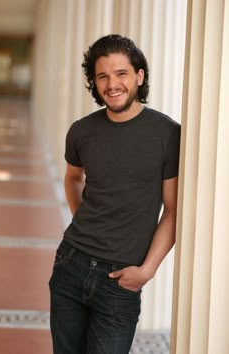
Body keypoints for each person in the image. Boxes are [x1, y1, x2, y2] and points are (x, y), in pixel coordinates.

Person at [49, 34, 181, 354]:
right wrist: (83, 218)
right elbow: (73, 178)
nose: (112, 84)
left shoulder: (168, 134)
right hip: (71, 264)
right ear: (95, 83)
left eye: (121, 73)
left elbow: (174, 210)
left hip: (120, 278)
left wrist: (146, 271)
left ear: (139, 75)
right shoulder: (81, 131)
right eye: (102, 76)